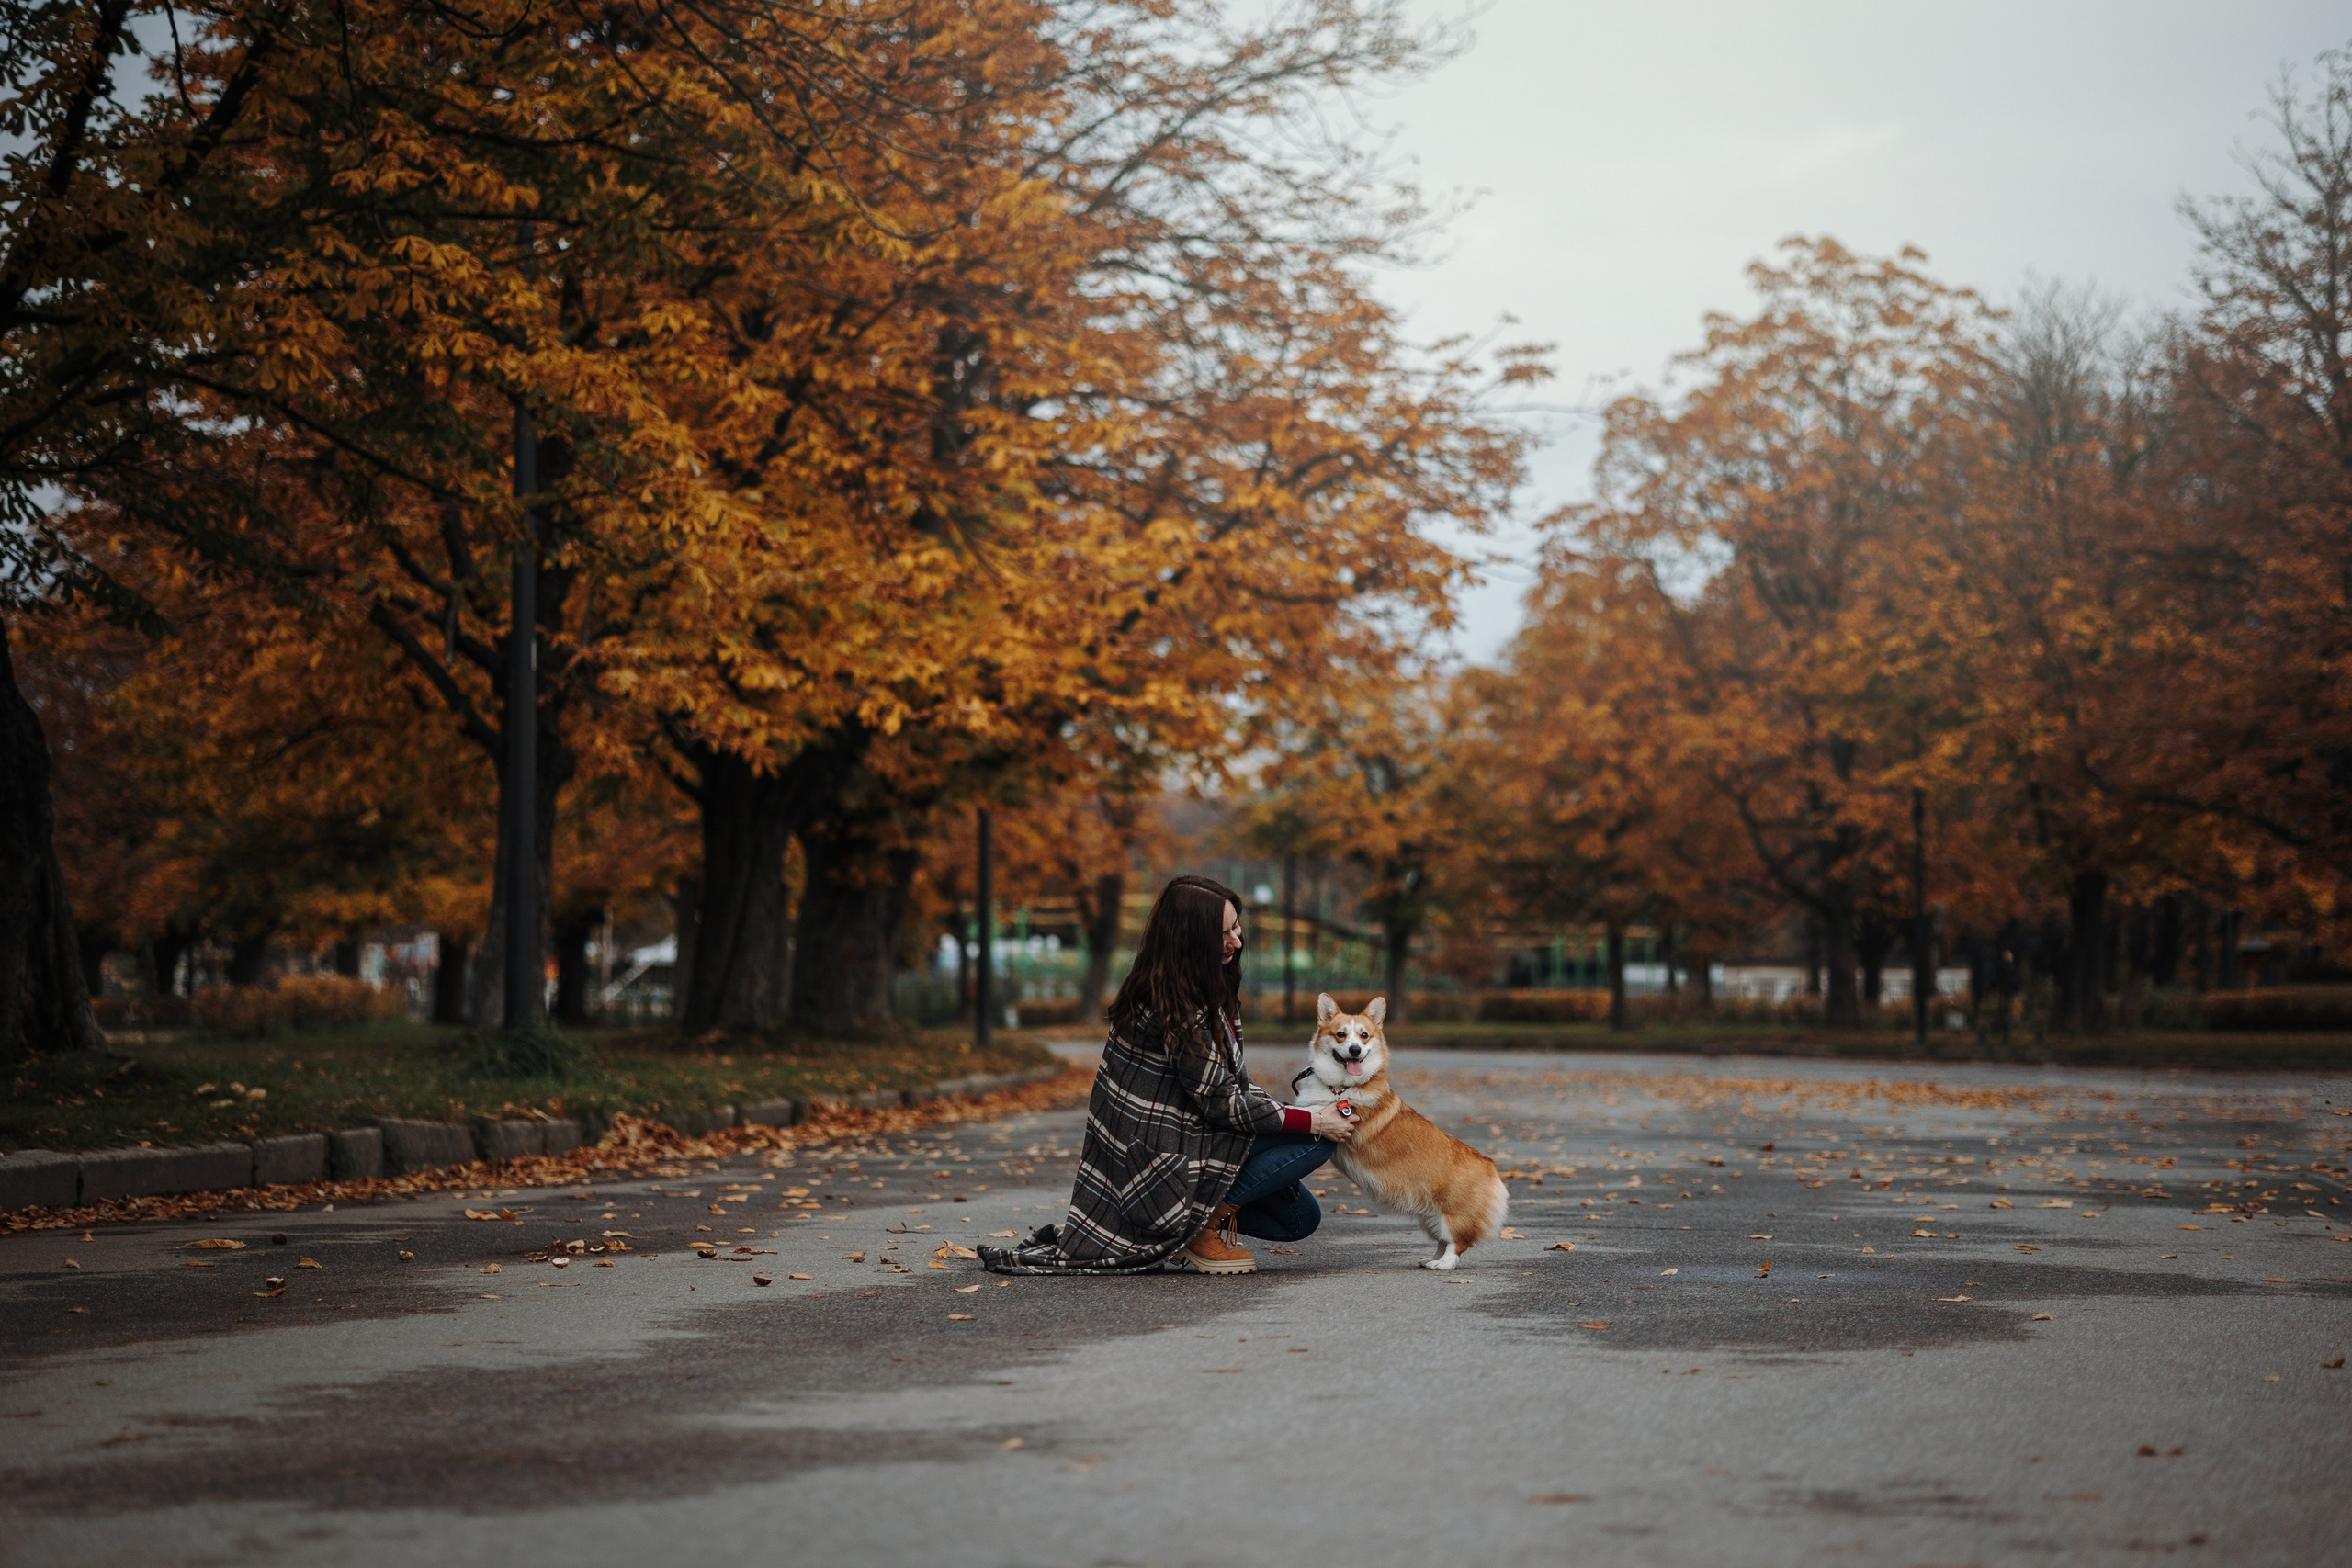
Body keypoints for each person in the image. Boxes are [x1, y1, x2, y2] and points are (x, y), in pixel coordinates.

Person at [978, 874, 1355, 1276]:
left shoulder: (1189, 989)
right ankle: (1197, 1228)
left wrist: (1297, 1113)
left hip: (1179, 1147)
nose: (1237, 941)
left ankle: (1199, 1220)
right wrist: (1313, 1119)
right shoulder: (1178, 1008)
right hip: (1163, 1167)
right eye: (1222, 933)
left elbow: (1230, 1086)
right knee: (1317, 1140)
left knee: (1300, 1218)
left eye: (1236, 927)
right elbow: (1222, 1102)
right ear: (1189, 939)